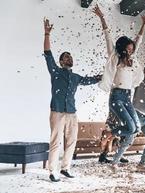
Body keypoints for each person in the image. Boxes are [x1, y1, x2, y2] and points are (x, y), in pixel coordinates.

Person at [43, 18, 102, 182]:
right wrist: (47, 34)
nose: (70, 59)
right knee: (55, 142)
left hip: (72, 113)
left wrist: (104, 76)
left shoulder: (76, 77)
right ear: (61, 62)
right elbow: (48, 54)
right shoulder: (55, 71)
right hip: (57, 112)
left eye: (70, 57)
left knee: (71, 141)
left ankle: (65, 168)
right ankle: (52, 171)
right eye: (66, 57)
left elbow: (91, 80)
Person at [93, 5, 145, 171]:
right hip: (116, 96)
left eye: (132, 48)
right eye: (129, 48)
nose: (132, 49)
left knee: (136, 128)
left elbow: (138, 40)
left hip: (127, 96)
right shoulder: (115, 57)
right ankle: (110, 134)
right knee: (130, 128)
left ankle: (111, 134)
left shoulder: (132, 59)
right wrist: (102, 17)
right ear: (123, 47)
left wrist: (144, 24)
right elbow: (107, 36)